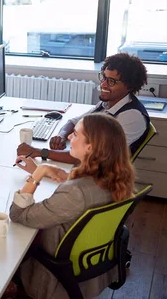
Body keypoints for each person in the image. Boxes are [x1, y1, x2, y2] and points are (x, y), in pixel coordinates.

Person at [10, 113, 135, 298]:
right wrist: (62, 176)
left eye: (75, 134)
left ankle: (10, 287)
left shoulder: (75, 193)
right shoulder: (116, 178)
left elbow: (18, 213)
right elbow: (87, 193)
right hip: (91, 268)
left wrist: (38, 174)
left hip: (52, 279)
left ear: (90, 147)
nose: (69, 137)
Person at [17, 53, 149, 164]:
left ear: (130, 86)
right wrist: (62, 136)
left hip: (103, 182)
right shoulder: (107, 104)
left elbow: (92, 157)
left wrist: (39, 152)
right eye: (104, 77)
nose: (103, 84)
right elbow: (73, 122)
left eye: (111, 81)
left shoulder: (132, 116)